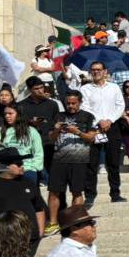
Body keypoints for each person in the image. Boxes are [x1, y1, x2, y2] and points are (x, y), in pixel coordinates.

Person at [45, 90, 97, 233]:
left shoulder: (88, 117)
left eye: (74, 103)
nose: (71, 106)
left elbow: (91, 138)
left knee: (77, 192)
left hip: (79, 160)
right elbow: (51, 138)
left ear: (80, 102)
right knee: (54, 191)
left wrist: (77, 132)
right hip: (59, 160)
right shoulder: (58, 116)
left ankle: (75, 221)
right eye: (68, 103)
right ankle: (53, 222)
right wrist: (56, 131)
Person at [79, 61, 126, 205]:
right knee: (91, 164)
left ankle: (115, 193)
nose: (96, 72)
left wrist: (109, 120)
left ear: (105, 71)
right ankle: (90, 195)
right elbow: (85, 107)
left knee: (113, 162)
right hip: (94, 128)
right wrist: (100, 120)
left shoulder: (114, 87)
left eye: (99, 70)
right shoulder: (85, 88)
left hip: (112, 127)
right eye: (93, 70)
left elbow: (120, 105)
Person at [0, 148, 47, 257]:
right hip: (3, 239)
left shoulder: (29, 183)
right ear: (6, 166)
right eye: (18, 164)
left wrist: (40, 232)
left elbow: (39, 208)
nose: (22, 166)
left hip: (30, 239)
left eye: (22, 163)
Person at [0, 104, 44, 184]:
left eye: (10, 113)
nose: (7, 116)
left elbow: (39, 155)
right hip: (5, 171)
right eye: (5, 114)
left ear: (19, 114)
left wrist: (26, 168)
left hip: (26, 170)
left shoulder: (31, 131)